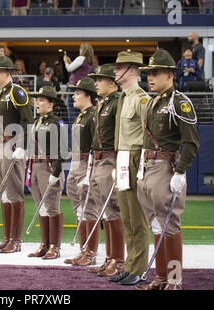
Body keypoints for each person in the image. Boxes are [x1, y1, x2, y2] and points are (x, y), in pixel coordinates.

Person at [135, 49, 199, 290]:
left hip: (166, 168)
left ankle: (174, 279)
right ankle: (160, 277)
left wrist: (180, 172)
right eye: (149, 73)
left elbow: (191, 142)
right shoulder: (153, 102)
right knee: (155, 224)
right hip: (148, 166)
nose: (150, 77)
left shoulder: (178, 102)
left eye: (156, 73)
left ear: (170, 75)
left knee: (169, 225)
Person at [109, 51, 151, 286]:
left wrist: (143, 166)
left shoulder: (141, 98)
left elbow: (149, 134)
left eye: (120, 67)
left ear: (132, 71)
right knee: (127, 218)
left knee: (137, 218)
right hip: (123, 157)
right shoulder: (124, 96)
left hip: (135, 157)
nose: (115, 71)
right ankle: (131, 265)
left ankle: (139, 268)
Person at [0, 55, 33, 253]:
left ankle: (16, 240)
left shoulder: (17, 92)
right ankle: (6, 238)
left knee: (13, 193)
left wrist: (23, 146)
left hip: (11, 145)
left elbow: (28, 121)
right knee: (3, 194)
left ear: (6, 73)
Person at [85, 64, 125, 278]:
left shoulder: (117, 103)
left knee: (113, 211)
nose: (96, 83)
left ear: (112, 83)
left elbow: (121, 134)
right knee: (105, 212)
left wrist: (119, 163)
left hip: (110, 159)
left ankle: (118, 260)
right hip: (99, 159)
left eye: (100, 80)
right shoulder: (103, 104)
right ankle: (110, 257)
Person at [27, 86, 66, 260]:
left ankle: (55, 246)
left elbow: (63, 150)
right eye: (37, 99)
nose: (37, 103)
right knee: (41, 207)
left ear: (51, 104)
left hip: (48, 167)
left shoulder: (57, 122)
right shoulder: (37, 122)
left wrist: (56, 172)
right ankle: (44, 244)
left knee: (51, 207)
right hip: (35, 166)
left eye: (41, 100)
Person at [64, 77, 97, 266]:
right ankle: (83, 250)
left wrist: (89, 172)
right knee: (79, 211)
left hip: (86, 164)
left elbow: (95, 145)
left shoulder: (93, 116)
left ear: (89, 96)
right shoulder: (81, 116)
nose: (74, 96)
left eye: (78, 93)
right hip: (76, 163)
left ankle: (90, 252)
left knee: (89, 209)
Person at [63, 42, 94, 123]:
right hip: (82, 87)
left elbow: (69, 69)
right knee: (79, 108)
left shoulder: (81, 58)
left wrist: (66, 62)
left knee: (71, 107)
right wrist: (70, 63)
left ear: (83, 50)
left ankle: (73, 125)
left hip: (74, 87)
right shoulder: (89, 61)